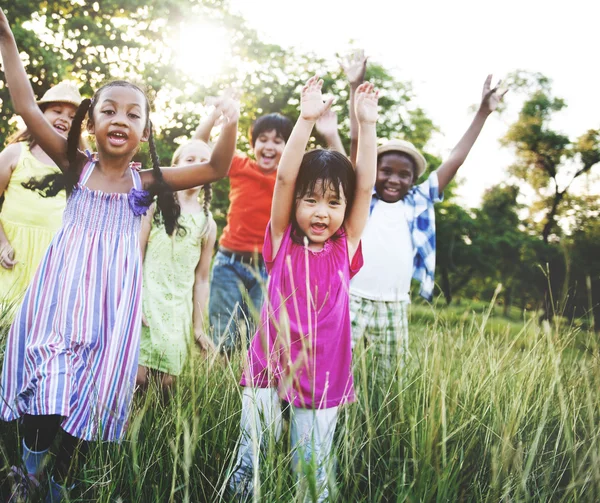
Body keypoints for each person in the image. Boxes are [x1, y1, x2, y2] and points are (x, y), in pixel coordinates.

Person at [0, 8, 239, 502]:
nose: (120, 119)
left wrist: (230, 121)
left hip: (109, 314)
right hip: (56, 305)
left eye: (134, 114)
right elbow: (24, 103)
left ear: (146, 132)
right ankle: (26, 472)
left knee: (85, 407)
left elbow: (216, 165)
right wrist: (5, 36)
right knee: (46, 394)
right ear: (92, 120)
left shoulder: (148, 182)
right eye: (109, 109)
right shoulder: (76, 164)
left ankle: (58, 485)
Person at [228, 76, 379, 502]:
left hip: (323, 378)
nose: (320, 212)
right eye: (310, 199)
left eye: (334, 203)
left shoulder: (344, 247)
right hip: (266, 368)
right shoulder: (280, 241)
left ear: (346, 210)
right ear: (294, 202)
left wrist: (366, 127)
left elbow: (364, 184)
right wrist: (306, 119)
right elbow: (283, 178)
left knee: (311, 470)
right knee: (250, 459)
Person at [349, 70, 507, 373]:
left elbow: (455, 160)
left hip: (394, 304)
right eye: (386, 171)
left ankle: (377, 420)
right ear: (374, 171)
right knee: (337, 368)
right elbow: (358, 141)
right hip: (352, 296)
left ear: (413, 180)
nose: (394, 179)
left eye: (403, 174)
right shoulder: (362, 197)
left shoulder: (417, 203)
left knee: (389, 375)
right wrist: (356, 88)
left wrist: (483, 113)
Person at [195, 101, 345, 353]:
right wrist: (215, 116)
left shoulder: (295, 177)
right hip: (228, 265)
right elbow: (198, 146)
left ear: (289, 147)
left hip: (270, 269)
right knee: (221, 335)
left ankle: (250, 385)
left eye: (278, 141)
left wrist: (330, 133)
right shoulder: (240, 165)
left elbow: (341, 171)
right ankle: (216, 380)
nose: (269, 146)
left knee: (260, 337)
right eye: (262, 139)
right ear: (253, 144)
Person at [136, 137, 217, 392]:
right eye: (189, 160)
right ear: (176, 166)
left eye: (204, 162)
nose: (196, 166)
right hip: (147, 301)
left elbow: (202, 279)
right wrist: (134, 300)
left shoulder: (207, 223)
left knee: (167, 383)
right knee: (138, 377)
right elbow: (136, 253)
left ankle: (154, 431)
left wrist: (198, 326)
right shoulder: (155, 206)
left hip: (178, 310)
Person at [0, 81, 82, 318]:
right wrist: (2, 242)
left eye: (72, 116)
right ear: (40, 113)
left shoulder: (76, 166)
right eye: (57, 111)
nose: (64, 119)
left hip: (51, 258)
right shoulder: (17, 153)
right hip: (11, 251)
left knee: (37, 320)